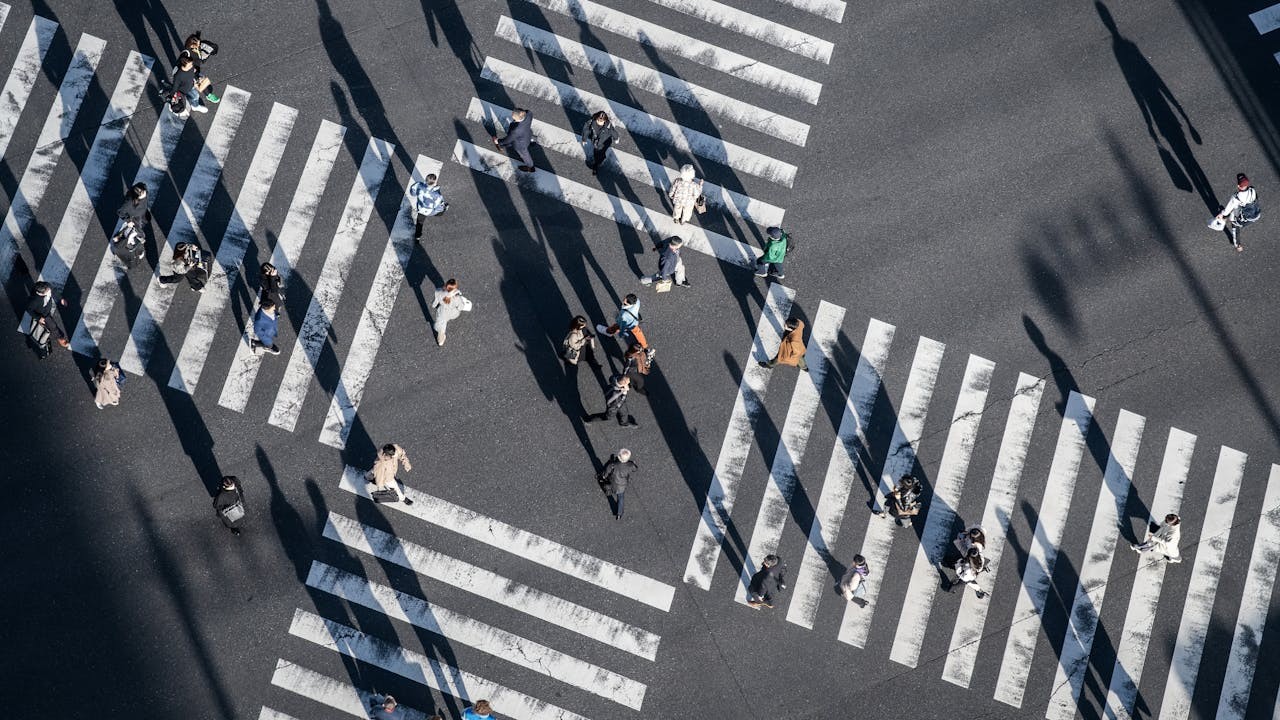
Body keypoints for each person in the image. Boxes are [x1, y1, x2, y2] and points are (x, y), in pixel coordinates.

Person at [1214, 173, 1260, 252]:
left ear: (1238, 186)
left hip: (1244, 218)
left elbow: (1227, 210)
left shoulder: (1236, 197)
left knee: (1234, 223)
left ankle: (1237, 245)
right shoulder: (1253, 190)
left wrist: (1221, 214)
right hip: (1255, 214)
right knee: (1236, 208)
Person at [180, 32, 221, 104]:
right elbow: (184, 65)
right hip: (190, 73)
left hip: (195, 69)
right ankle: (207, 96)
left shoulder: (196, 48)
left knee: (199, 82)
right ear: (192, 45)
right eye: (197, 44)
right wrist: (194, 73)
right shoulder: (187, 53)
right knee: (197, 86)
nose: (199, 46)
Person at [26, 281, 69, 348]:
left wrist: (61, 298)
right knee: (52, 326)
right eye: (47, 291)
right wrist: (39, 318)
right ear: (40, 293)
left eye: (48, 289)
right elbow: (29, 310)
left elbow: (53, 291)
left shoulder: (46, 286)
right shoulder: (35, 301)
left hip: (47, 308)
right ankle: (60, 338)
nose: (49, 290)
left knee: (51, 324)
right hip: (43, 314)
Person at [431, 278, 473, 346]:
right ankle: (464, 300)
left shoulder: (438, 292)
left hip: (442, 312)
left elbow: (435, 303)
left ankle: (440, 340)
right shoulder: (457, 298)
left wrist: (435, 305)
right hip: (453, 313)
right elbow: (461, 307)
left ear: (446, 285)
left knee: (441, 326)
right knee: (460, 303)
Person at [598, 448, 637, 519]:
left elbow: (605, 474)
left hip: (613, 483)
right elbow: (635, 469)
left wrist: (603, 477)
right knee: (620, 498)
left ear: (618, 457)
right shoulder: (630, 465)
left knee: (608, 485)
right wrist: (633, 463)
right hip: (622, 485)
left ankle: (608, 491)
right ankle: (619, 514)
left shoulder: (612, 465)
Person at [493, 108, 535, 172]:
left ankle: (530, 167)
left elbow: (507, 140)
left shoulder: (516, 130)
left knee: (525, 155)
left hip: (520, 145)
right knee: (517, 140)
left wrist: (498, 141)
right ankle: (531, 142)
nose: (512, 115)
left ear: (518, 119)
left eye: (514, 117)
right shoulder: (529, 114)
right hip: (527, 134)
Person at [408, 173, 448, 240]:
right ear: (434, 182)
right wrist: (443, 208)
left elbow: (412, 193)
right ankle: (445, 209)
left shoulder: (418, 185)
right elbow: (439, 207)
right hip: (431, 211)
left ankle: (417, 237)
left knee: (419, 223)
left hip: (421, 209)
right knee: (441, 211)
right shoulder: (437, 195)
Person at [581, 110, 620, 176]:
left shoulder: (608, 125)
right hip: (596, 142)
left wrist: (616, 138)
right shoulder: (591, 122)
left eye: (601, 121)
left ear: (605, 120)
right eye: (598, 120)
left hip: (605, 142)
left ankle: (596, 164)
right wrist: (584, 139)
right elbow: (586, 130)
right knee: (597, 153)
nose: (599, 122)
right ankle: (599, 160)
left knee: (599, 153)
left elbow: (613, 131)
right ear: (596, 118)